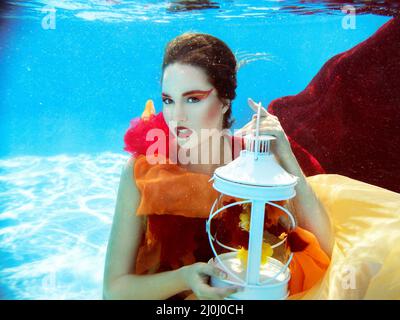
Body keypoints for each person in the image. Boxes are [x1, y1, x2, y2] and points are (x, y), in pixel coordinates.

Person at [102, 32, 399, 300]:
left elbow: (326, 248)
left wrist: (286, 154)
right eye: (168, 100)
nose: (176, 116)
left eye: (193, 99)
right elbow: (113, 290)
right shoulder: (144, 172)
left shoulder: (254, 158)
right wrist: (184, 279)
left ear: (225, 101)